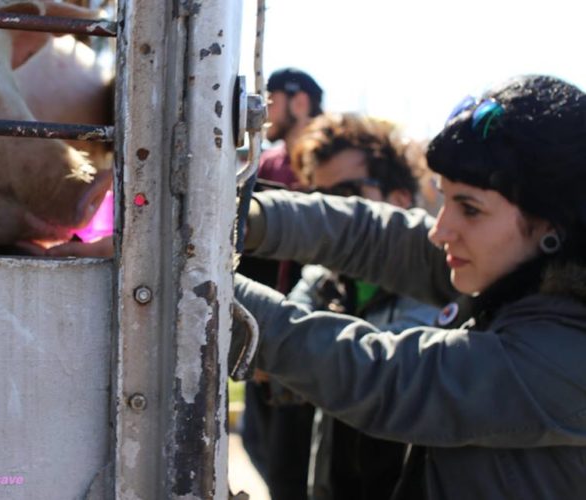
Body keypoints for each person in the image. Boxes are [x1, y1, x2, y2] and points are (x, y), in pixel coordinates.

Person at [233, 74, 586, 499]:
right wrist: (245, 218)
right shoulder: (519, 267)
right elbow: (376, 236)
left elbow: (384, 379)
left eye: (470, 209)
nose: (441, 231)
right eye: (445, 198)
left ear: (553, 223)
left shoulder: (569, 355)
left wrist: (214, 294)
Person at [286, 113, 438, 500]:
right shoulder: (322, 279)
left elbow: (380, 370)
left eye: (346, 195)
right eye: (318, 200)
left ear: (400, 199)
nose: (328, 216)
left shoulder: (443, 286)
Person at [236, 67, 324, 499]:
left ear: (300, 101)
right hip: (264, 323)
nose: (266, 110)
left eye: (272, 99)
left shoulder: (329, 162)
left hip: (314, 329)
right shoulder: (267, 164)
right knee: (258, 439)